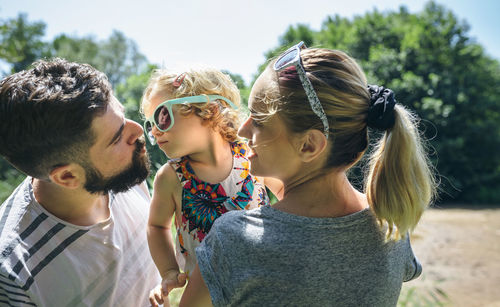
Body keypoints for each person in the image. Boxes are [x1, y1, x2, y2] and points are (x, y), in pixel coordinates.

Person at [172, 42, 437, 306]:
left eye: (259, 120)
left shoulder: (234, 238)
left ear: (309, 145)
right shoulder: (391, 225)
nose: (242, 130)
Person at [0, 58, 160, 306]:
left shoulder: (121, 172)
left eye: (123, 116)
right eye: (117, 138)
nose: (138, 130)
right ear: (67, 177)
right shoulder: (13, 274)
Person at [141, 67, 282, 305]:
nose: (154, 130)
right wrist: (168, 271)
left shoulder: (250, 156)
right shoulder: (171, 178)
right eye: (150, 124)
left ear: (208, 110)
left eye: (162, 117)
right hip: (207, 293)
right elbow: (156, 226)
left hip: (262, 278)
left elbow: (287, 194)